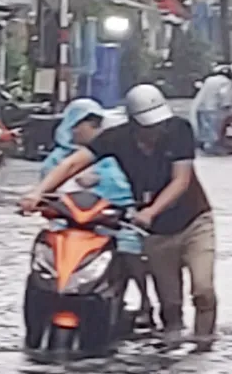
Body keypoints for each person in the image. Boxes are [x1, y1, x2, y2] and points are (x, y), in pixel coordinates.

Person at [21, 84, 217, 346]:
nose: (155, 131)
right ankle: (173, 346)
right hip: (156, 232)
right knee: (170, 305)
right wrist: (37, 193)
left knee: (203, 290)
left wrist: (150, 211)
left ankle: (204, 344)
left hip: (195, 222)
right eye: (149, 125)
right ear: (134, 123)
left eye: (158, 124)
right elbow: (73, 164)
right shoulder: (116, 139)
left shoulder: (179, 131)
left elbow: (180, 181)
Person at [42, 98, 153, 326]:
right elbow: (45, 190)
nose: (91, 131)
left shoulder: (110, 158)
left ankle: (145, 302)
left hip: (110, 223)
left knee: (129, 247)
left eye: (95, 126)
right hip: (68, 224)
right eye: (85, 125)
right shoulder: (57, 159)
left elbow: (124, 189)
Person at [189, 70, 232, 152]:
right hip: (213, 108)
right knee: (214, 128)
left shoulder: (209, 79)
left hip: (200, 106)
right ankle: (211, 147)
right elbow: (224, 94)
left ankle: (202, 144)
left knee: (204, 127)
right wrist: (227, 105)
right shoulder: (226, 82)